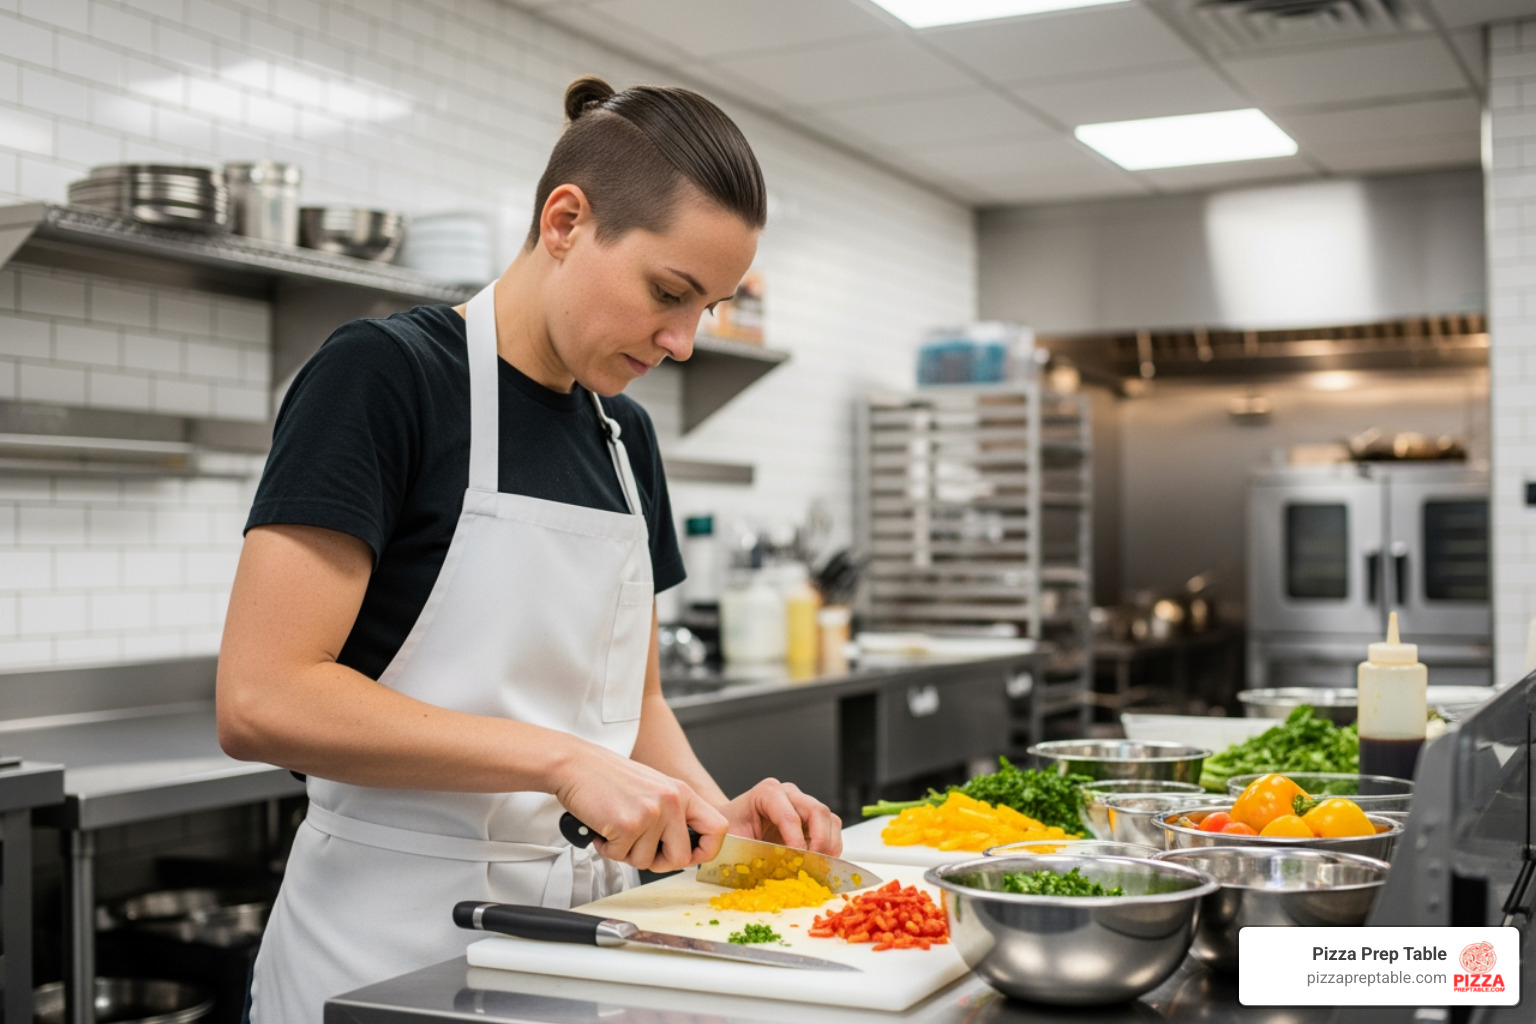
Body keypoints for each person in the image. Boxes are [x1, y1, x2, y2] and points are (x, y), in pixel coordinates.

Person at [217, 75, 842, 1024]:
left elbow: (632, 710)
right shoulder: (386, 377)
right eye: (669, 293)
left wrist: (721, 830)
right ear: (565, 221)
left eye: (706, 309)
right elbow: (262, 697)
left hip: (585, 957)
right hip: (378, 956)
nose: (680, 342)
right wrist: (557, 761)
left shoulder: (628, 444)